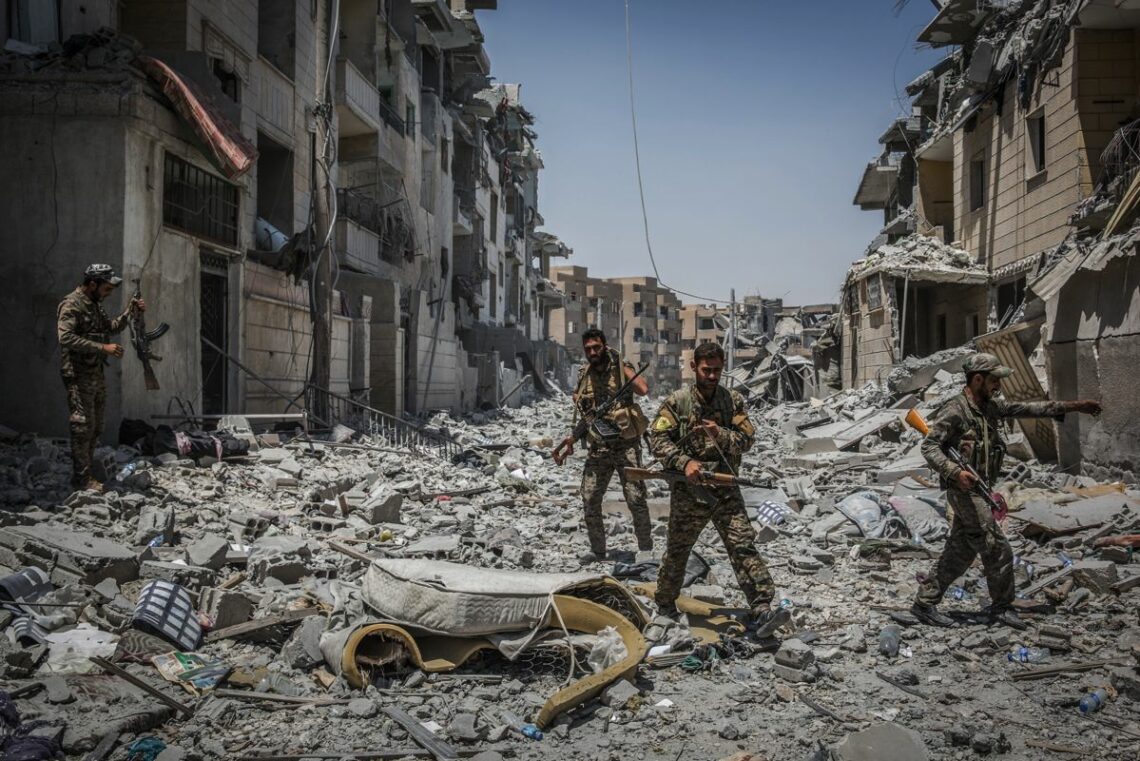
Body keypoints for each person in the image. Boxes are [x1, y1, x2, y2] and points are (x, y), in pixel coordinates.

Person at [911, 352, 1102, 629]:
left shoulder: (990, 408)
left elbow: (1029, 409)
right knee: (997, 549)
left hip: (980, 489)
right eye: (993, 380)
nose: (998, 385)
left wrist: (1076, 406)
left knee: (960, 551)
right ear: (977, 379)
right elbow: (929, 447)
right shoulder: (955, 410)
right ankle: (1001, 607)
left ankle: (924, 604)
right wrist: (956, 472)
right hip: (964, 491)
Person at [649, 341, 788, 637]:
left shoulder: (732, 400)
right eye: (706, 370)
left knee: (742, 546)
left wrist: (719, 434)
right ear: (694, 368)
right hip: (690, 492)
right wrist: (684, 462)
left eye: (717, 370)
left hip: (725, 490)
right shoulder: (677, 402)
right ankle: (664, 606)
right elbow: (657, 439)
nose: (712, 376)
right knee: (677, 550)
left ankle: (762, 607)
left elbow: (747, 440)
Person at [57, 264, 145, 492]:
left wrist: (129, 312)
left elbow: (111, 327)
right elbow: (65, 338)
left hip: (95, 373)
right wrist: (102, 347)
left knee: (96, 427)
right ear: (92, 284)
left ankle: (86, 474)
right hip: (78, 374)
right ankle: (81, 480)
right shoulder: (71, 304)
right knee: (82, 426)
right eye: (106, 289)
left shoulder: (95, 305)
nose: (108, 294)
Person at [570, 328, 654, 563]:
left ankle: (645, 549)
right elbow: (579, 403)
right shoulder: (584, 373)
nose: (593, 352)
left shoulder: (620, 367)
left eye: (597, 347)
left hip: (626, 444)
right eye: (588, 349)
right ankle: (598, 550)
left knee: (635, 498)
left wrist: (623, 367)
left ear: (605, 346)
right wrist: (574, 436)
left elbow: (643, 390)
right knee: (589, 498)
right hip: (599, 446)